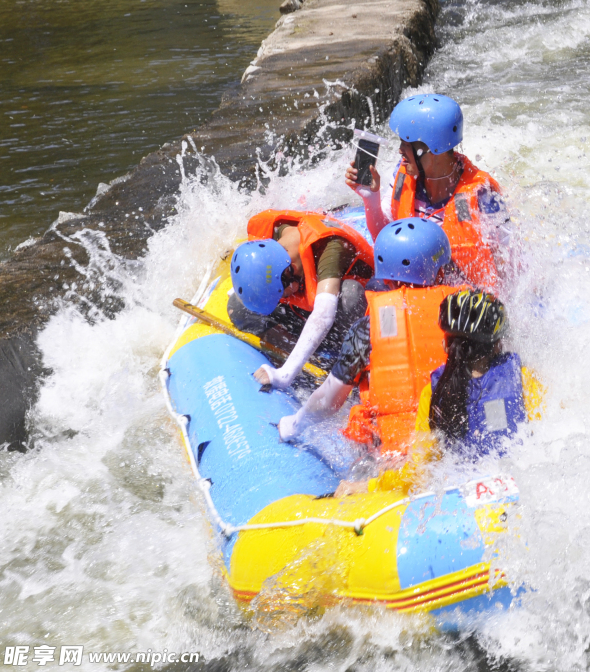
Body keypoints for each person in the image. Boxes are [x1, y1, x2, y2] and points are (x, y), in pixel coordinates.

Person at [332, 288, 545, 498]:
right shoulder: (524, 379)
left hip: (458, 501)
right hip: (517, 493)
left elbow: (419, 474)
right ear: (498, 345)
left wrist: (370, 486)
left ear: (445, 344)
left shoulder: (434, 394)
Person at [276, 217, 459, 457]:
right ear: (442, 271)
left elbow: (328, 402)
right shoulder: (470, 315)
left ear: (384, 278)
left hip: (397, 458)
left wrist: (293, 425)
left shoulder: (368, 329)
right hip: (462, 444)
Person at [344, 94, 512, 291]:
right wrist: (371, 200)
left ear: (434, 148)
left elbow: (509, 264)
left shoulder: (482, 195)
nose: (400, 150)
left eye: (407, 144)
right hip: (413, 290)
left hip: (461, 300)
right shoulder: (404, 175)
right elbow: (386, 244)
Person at [228, 210, 374, 390]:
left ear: (291, 271)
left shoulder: (331, 247)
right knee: (238, 307)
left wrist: (285, 374)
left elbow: (324, 315)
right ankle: (300, 355)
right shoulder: (273, 239)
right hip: (309, 311)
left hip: (349, 318)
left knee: (350, 295)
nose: (283, 299)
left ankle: (349, 368)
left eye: (282, 294)